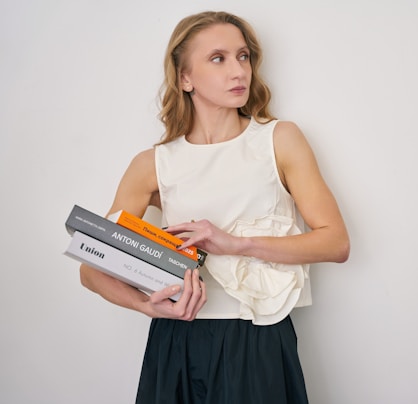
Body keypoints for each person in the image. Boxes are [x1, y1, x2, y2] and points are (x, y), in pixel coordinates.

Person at [79, 10, 349, 404]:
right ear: (185, 78)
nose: (239, 71)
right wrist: (146, 307)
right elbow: (91, 267)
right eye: (218, 59)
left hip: (255, 337)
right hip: (176, 342)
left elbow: (336, 243)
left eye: (244, 57)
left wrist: (236, 244)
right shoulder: (151, 165)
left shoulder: (279, 139)